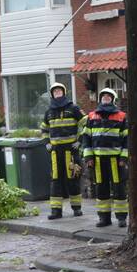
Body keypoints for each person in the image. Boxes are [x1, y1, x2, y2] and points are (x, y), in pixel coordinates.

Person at [81, 88, 129, 228]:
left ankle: (121, 218)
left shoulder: (121, 116)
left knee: (119, 188)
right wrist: (88, 156)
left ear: (113, 99)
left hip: (116, 160)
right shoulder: (91, 117)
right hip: (98, 160)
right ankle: (104, 218)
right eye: (103, 96)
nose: (106, 98)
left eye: (108, 96)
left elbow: (127, 139)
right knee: (101, 189)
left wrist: (123, 158)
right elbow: (86, 138)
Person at [40, 82, 84, 220]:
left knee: (73, 179)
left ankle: (77, 209)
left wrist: (79, 141)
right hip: (55, 152)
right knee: (55, 181)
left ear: (64, 92)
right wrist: (47, 142)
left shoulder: (74, 108)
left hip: (70, 151)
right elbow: (44, 130)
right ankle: (56, 211)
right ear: (52, 94)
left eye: (59, 90)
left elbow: (86, 125)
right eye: (55, 91)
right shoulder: (49, 112)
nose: (57, 92)